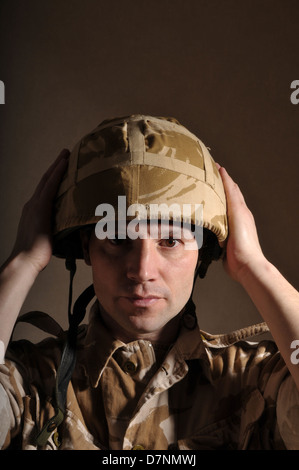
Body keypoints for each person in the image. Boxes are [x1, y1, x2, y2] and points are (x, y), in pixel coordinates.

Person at [0, 115, 298, 450]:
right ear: (87, 247)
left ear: (201, 253)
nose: (141, 271)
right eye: (117, 238)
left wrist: (255, 267)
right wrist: (23, 262)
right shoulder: (30, 382)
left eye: (170, 241)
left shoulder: (253, 380)